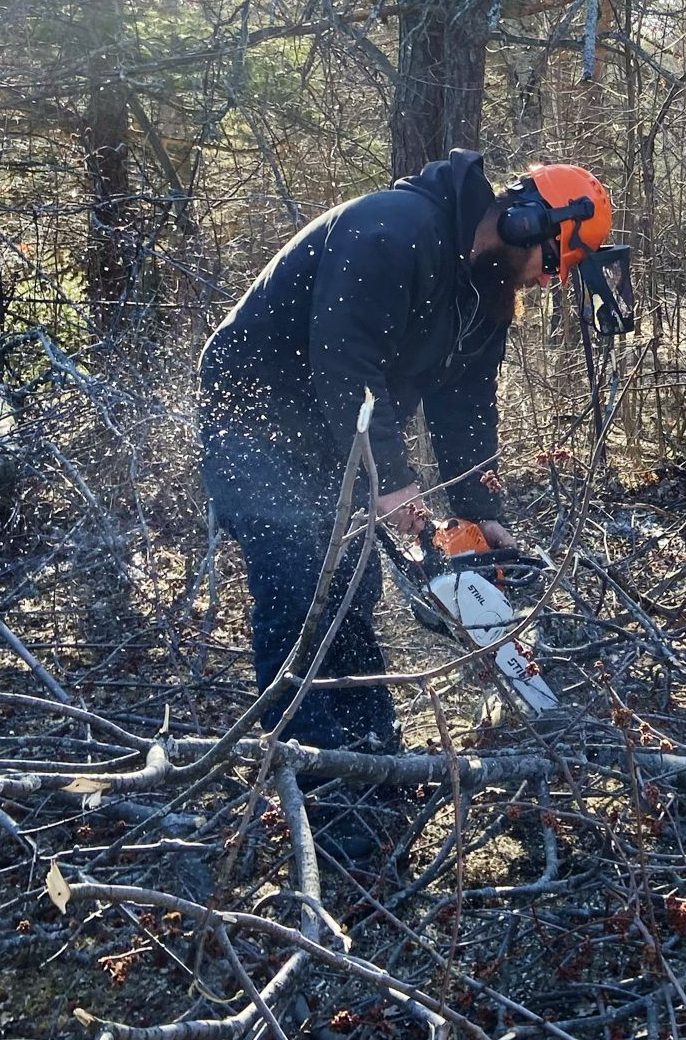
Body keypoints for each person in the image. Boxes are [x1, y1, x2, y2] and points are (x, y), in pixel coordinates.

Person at [197, 149, 613, 762]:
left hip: (333, 431)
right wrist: (392, 482)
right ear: (526, 222)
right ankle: (313, 776)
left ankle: (372, 755)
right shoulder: (394, 230)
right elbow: (344, 358)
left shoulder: (482, 292)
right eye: (550, 262)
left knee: (351, 591)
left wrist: (480, 508)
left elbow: (466, 403)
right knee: (296, 589)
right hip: (254, 419)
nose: (541, 280)